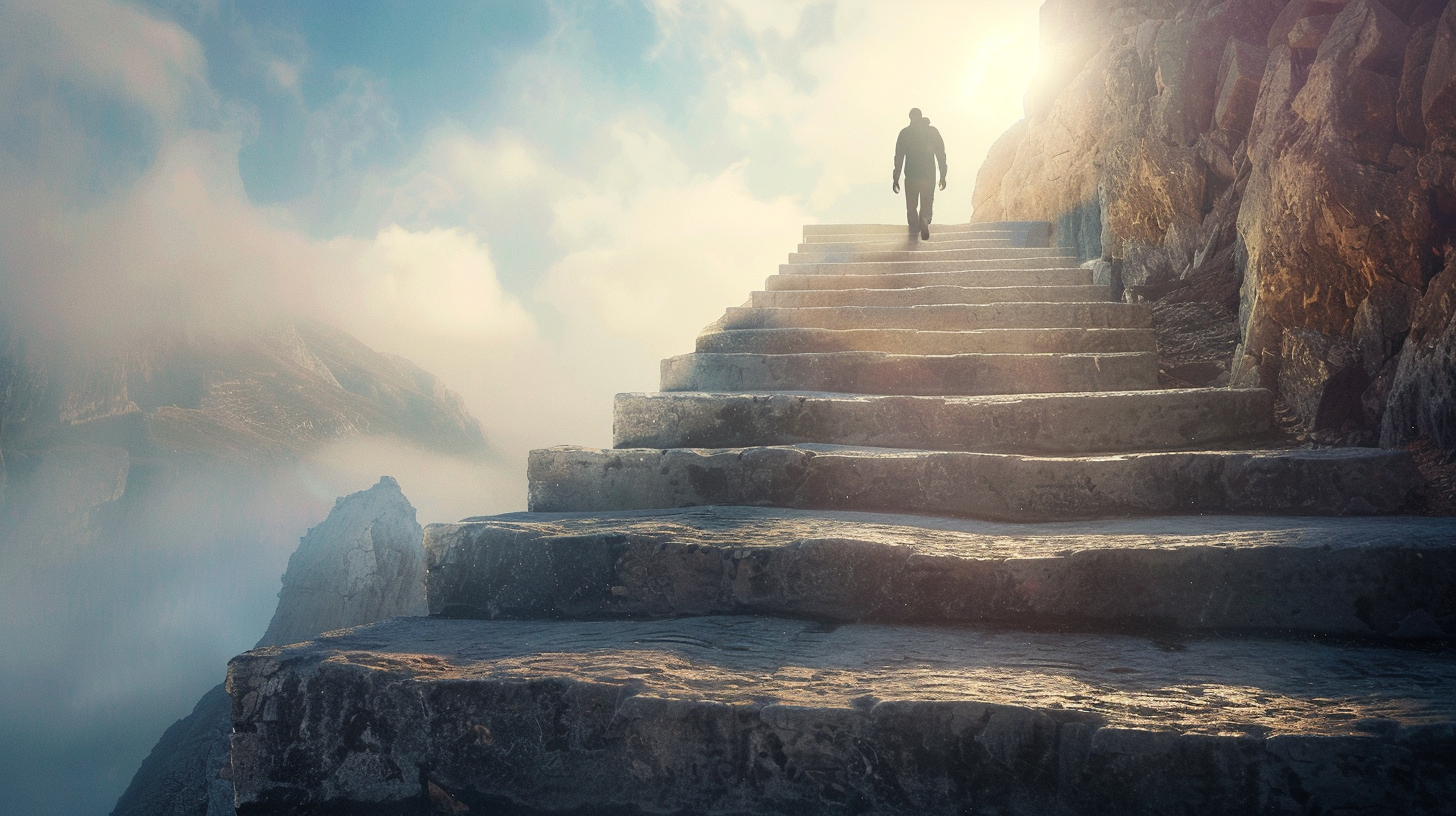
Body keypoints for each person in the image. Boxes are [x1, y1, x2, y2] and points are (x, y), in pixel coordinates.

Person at [892, 108, 947, 240]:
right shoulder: (932, 131)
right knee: (927, 203)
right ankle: (925, 219)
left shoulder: (905, 133)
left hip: (911, 176)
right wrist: (943, 175)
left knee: (911, 207)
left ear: (910, 117)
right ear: (921, 116)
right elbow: (941, 154)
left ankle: (913, 234)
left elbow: (899, 157)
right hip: (928, 175)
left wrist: (896, 178)